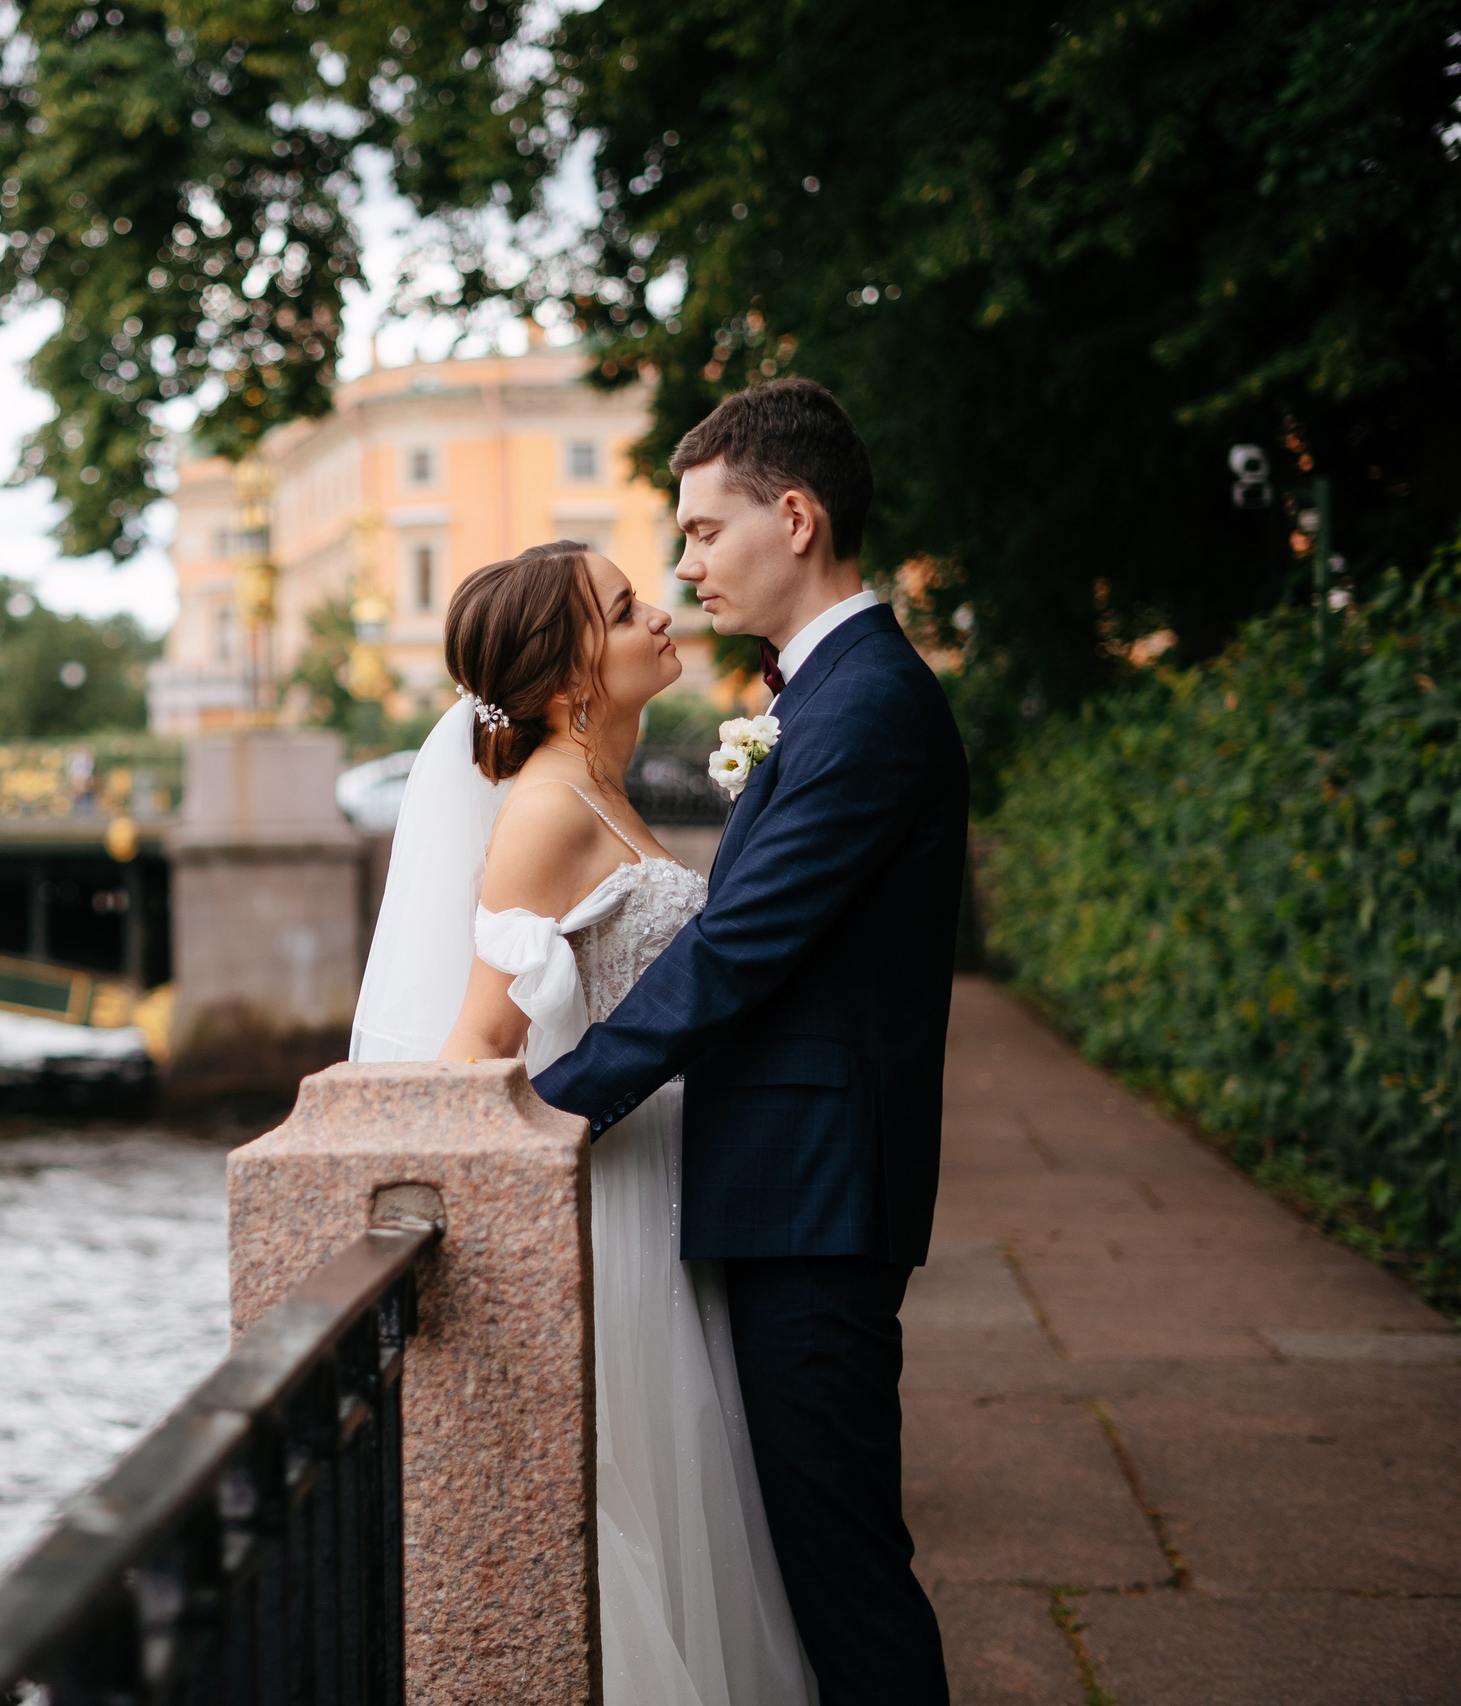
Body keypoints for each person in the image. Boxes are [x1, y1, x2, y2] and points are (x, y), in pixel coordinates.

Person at [533, 378, 964, 1705]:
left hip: (815, 1200)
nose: (686, 563)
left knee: (842, 1572)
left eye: (705, 531)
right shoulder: (822, 695)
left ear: (795, 515)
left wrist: (559, 1102)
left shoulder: (869, 704)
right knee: (817, 1562)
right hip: (787, 1187)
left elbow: (741, 946)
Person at [349, 540, 813, 1706]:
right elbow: (478, 1048)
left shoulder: (599, 789)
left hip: (665, 1177)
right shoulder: (543, 814)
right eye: (623, 609)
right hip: (607, 1193)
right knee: (629, 1499)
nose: (660, 611)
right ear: (569, 682)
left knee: (688, 1487)